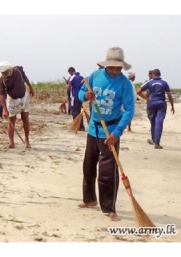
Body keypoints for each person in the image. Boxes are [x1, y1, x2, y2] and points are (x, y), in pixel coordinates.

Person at [77, 47, 135, 221]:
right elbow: (80, 94)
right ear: (106, 65)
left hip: (110, 132)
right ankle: (89, 199)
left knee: (108, 172)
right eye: (112, 67)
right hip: (93, 130)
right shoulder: (95, 76)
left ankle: (110, 208)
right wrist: (86, 95)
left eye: (118, 67)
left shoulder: (125, 84)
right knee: (88, 166)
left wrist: (117, 132)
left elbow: (129, 110)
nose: (115, 70)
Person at [0, 61, 35, 148]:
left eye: (5, 72)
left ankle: (27, 140)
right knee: (11, 120)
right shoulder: (2, 80)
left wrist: (31, 88)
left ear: (9, 69)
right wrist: (5, 109)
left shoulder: (18, 70)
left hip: (23, 96)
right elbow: (1, 95)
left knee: (25, 118)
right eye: (2, 73)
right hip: (12, 99)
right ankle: (11, 142)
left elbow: (25, 78)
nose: (4, 74)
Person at [137, 69, 175, 149]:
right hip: (161, 103)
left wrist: (147, 98)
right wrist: (172, 105)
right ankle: (156, 142)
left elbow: (138, 91)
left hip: (152, 103)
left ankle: (153, 139)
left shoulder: (149, 82)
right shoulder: (164, 82)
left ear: (153, 74)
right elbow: (169, 95)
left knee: (153, 121)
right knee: (159, 122)